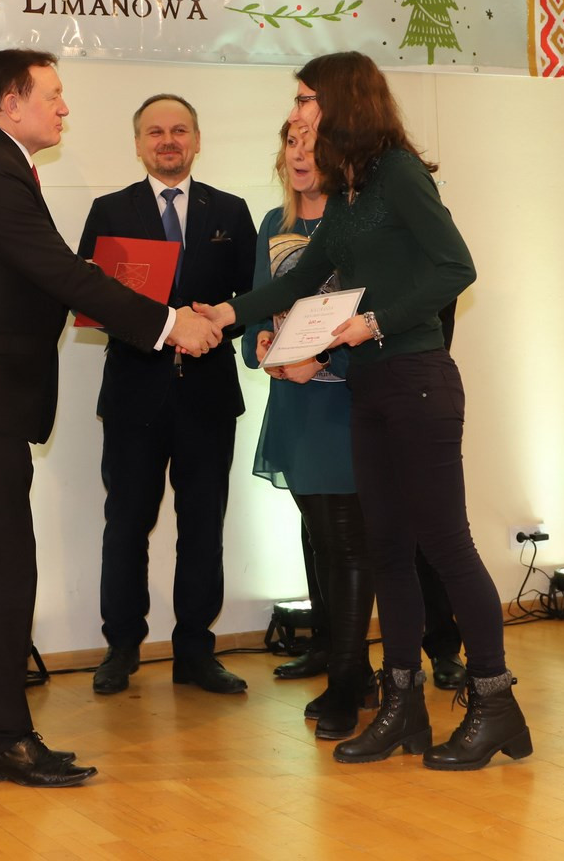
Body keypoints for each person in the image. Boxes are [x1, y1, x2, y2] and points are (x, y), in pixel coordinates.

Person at [199, 51, 531, 771]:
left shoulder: (398, 175)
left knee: (445, 546)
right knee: (385, 551)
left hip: (418, 381)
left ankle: (493, 701)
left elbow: (457, 267)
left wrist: (374, 322)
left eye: (304, 98)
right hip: (372, 389)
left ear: (341, 101)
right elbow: (300, 281)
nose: (295, 112)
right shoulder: (347, 192)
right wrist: (223, 314)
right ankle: (403, 704)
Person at [0, 49, 223, 788]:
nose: (63, 108)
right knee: (2, 570)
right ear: (11, 103)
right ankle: (3, 737)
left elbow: (45, 275)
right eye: (51, 94)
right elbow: (59, 270)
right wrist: (169, 323)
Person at [77, 94, 256, 696]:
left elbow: (252, 298)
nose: (168, 140)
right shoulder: (109, 210)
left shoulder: (230, 210)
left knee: (203, 524)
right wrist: (159, 326)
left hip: (209, 394)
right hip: (135, 393)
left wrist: (216, 324)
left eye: (180, 130)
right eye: (155, 132)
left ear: (197, 140)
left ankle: (196, 652)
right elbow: (87, 297)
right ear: (138, 144)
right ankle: (121, 647)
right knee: (126, 523)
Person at [241, 120, 375, 739]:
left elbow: (372, 312)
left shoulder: (357, 222)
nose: (300, 155)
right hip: (292, 404)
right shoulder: (273, 223)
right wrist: (258, 342)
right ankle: (349, 667)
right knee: (321, 539)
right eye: (291, 143)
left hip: (341, 401)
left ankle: (348, 681)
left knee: (346, 545)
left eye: (312, 145)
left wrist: (321, 358)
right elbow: (257, 303)